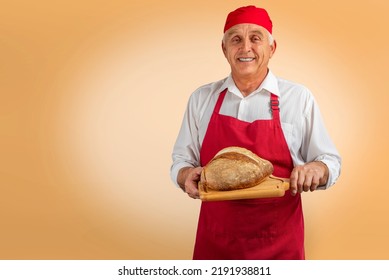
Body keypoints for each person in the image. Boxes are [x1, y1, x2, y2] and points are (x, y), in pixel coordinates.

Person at [170, 5, 341, 260]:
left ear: (272, 48)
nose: (246, 47)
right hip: (216, 243)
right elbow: (181, 162)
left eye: (255, 38)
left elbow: (330, 161)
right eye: (236, 39)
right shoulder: (202, 99)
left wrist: (317, 169)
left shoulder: (298, 98)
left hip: (279, 244)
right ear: (224, 49)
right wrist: (186, 175)